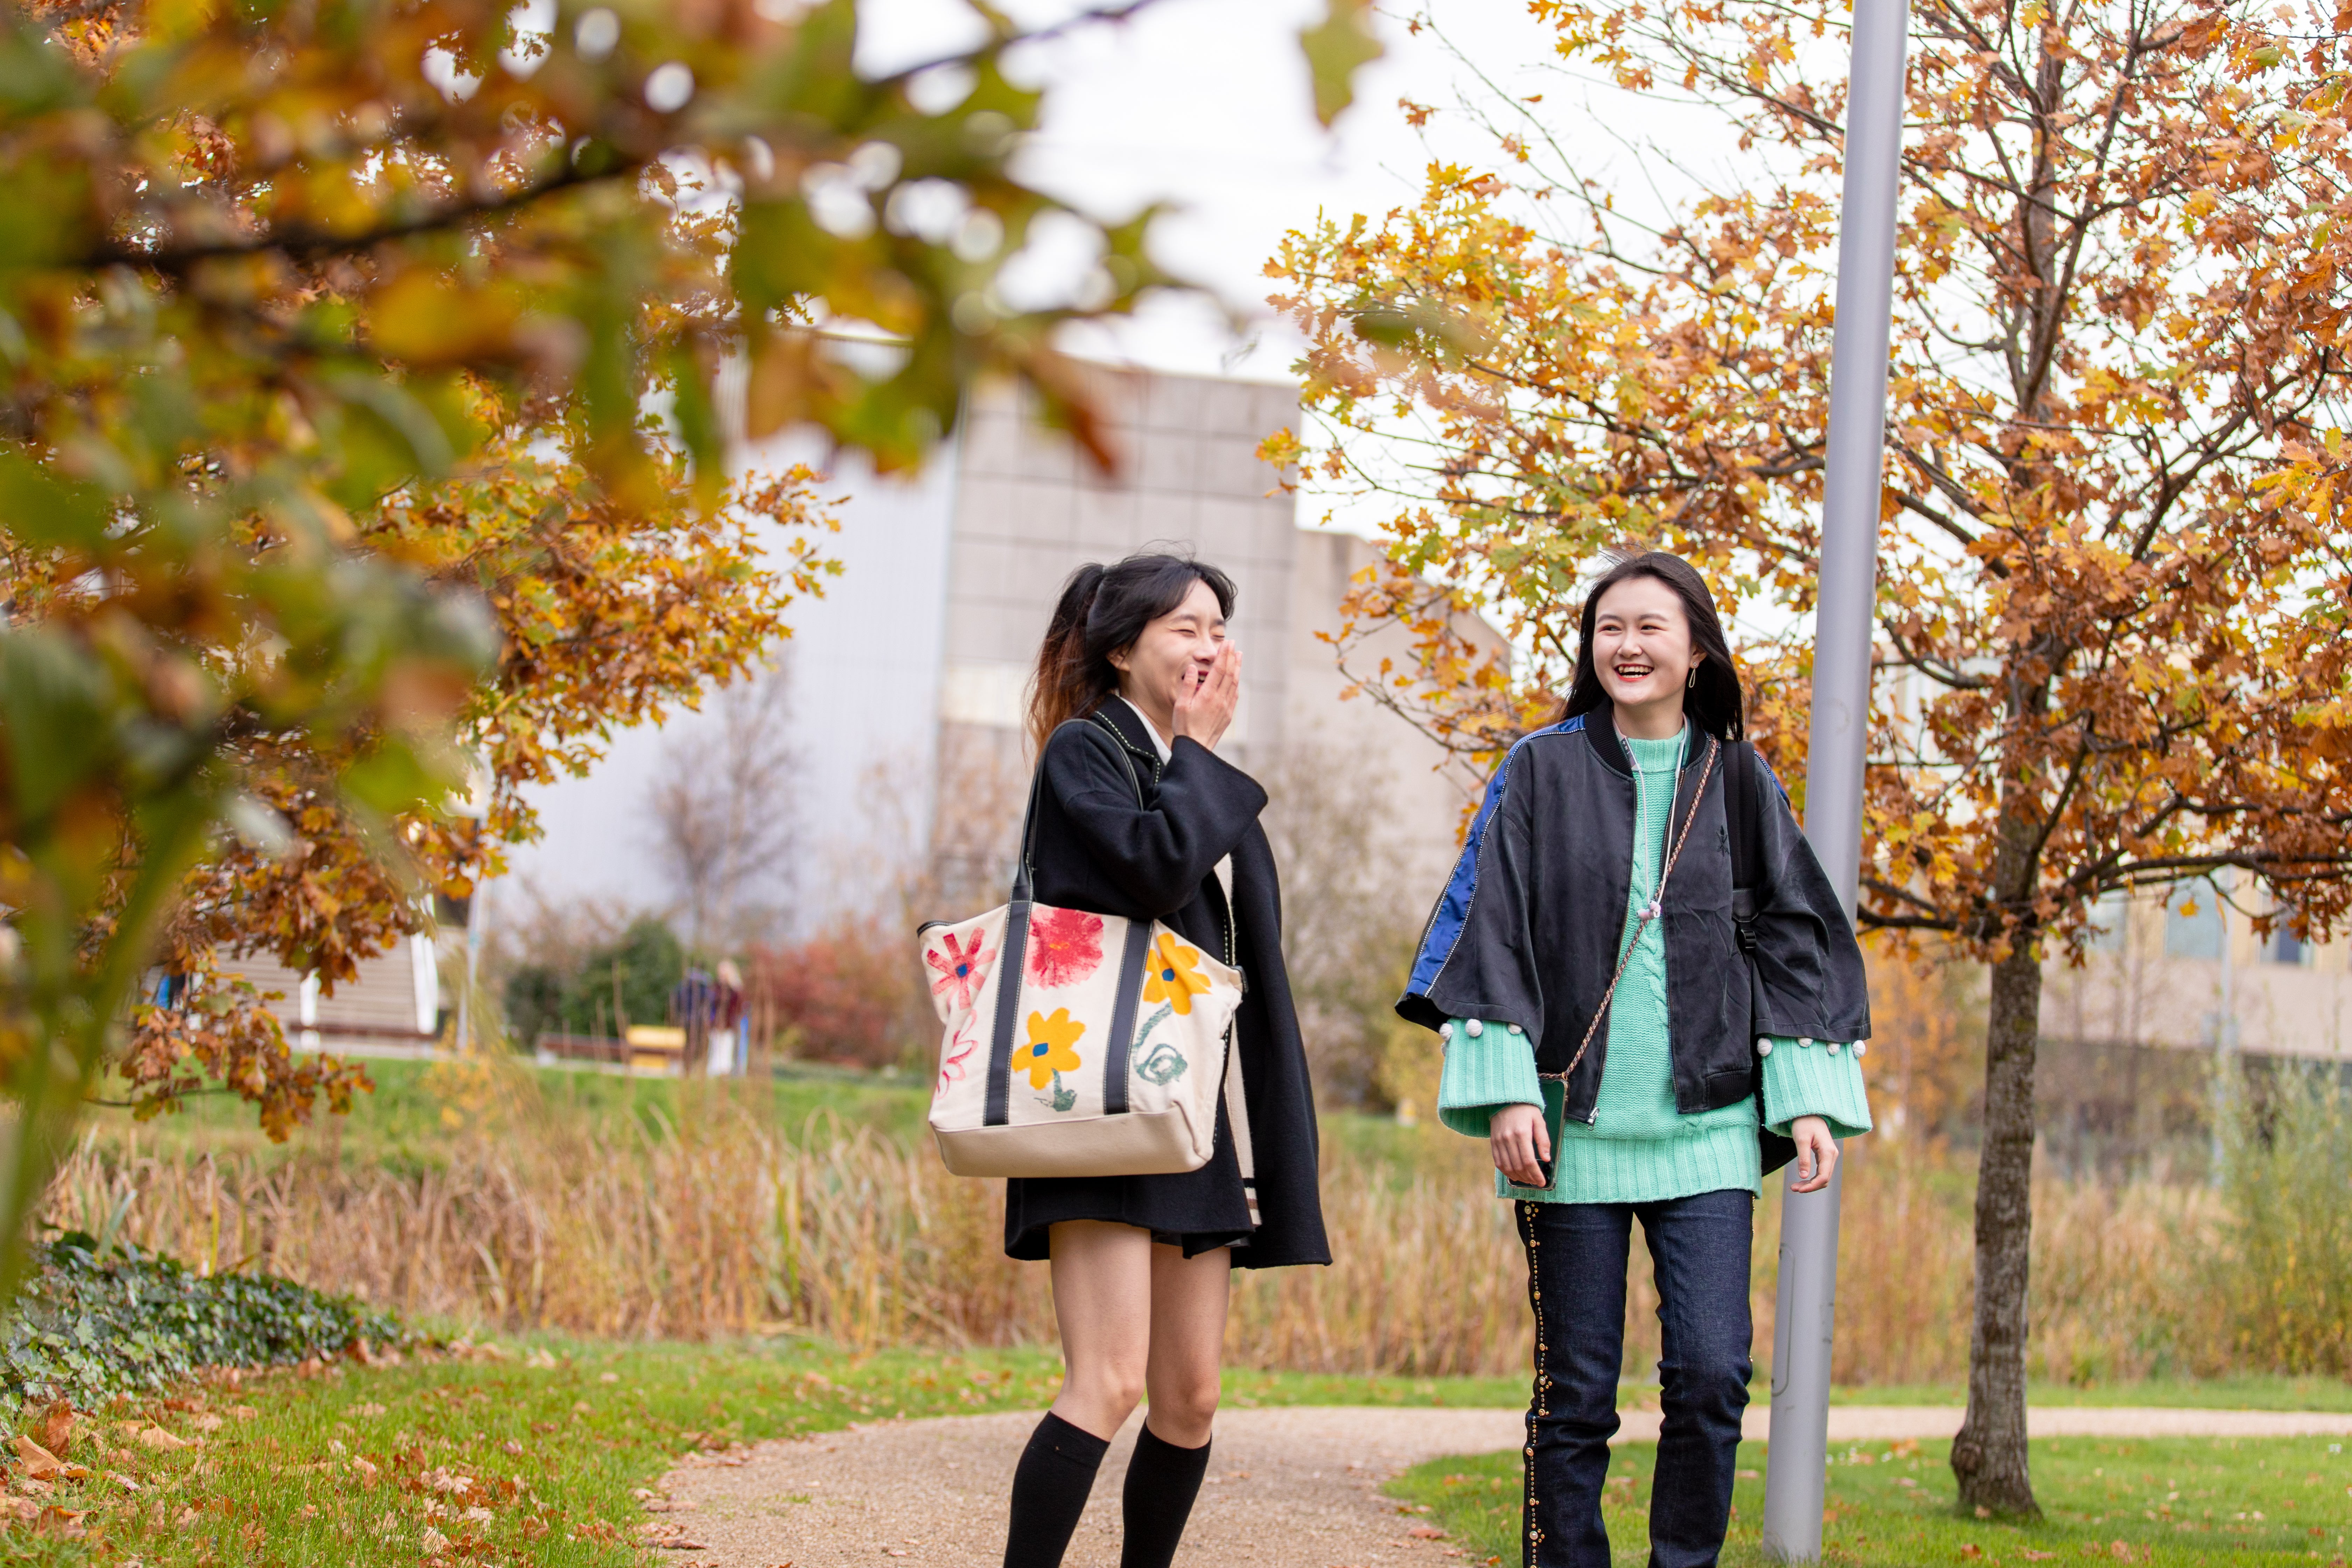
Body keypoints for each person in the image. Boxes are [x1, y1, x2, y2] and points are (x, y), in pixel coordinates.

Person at [1396, 552, 1872, 1568]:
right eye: (1611, 627)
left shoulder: (1742, 783)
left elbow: (1793, 944)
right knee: (1576, 1396)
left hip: (1707, 1135)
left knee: (1710, 1379)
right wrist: (1506, 1091)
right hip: (1575, 1137)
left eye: (1652, 626)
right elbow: (1493, 929)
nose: (1629, 645)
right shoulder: (1538, 769)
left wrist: (1810, 1102)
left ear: (1696, 649)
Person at [999, 552, 1330, 1568]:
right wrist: (1200, 755)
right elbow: (1150, 871)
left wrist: (1197, 759)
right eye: (1188, 626)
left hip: (1187, 1113)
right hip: (1096, 1102)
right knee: (1106, 1381)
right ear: (1120, 647)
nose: (1211, 644)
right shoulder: (1083, 755)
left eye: (1219, 627)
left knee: (1189, 1398)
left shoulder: (1195, 767)